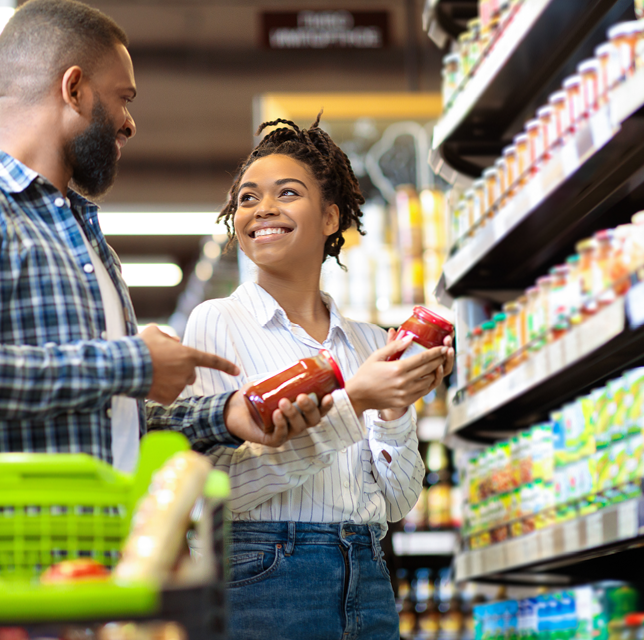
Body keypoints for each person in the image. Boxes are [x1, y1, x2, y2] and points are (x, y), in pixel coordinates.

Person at [0, 0, 331, 473]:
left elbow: (112, 419)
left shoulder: (88, 244)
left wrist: (226, 414)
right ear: (74, 89)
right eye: (124, 98)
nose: (130, 122)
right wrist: (131, 362)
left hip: (96, 536)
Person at [181, 116, 454, 640]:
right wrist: (356, 402)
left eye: (287, 193)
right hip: (262, 577)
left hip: (368, 575)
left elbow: (398, 502)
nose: (263, 209)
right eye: (247, 198)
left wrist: (395, 405)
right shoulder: (218, 322)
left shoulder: (373, 344)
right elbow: (222, 490)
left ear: (331, 217)